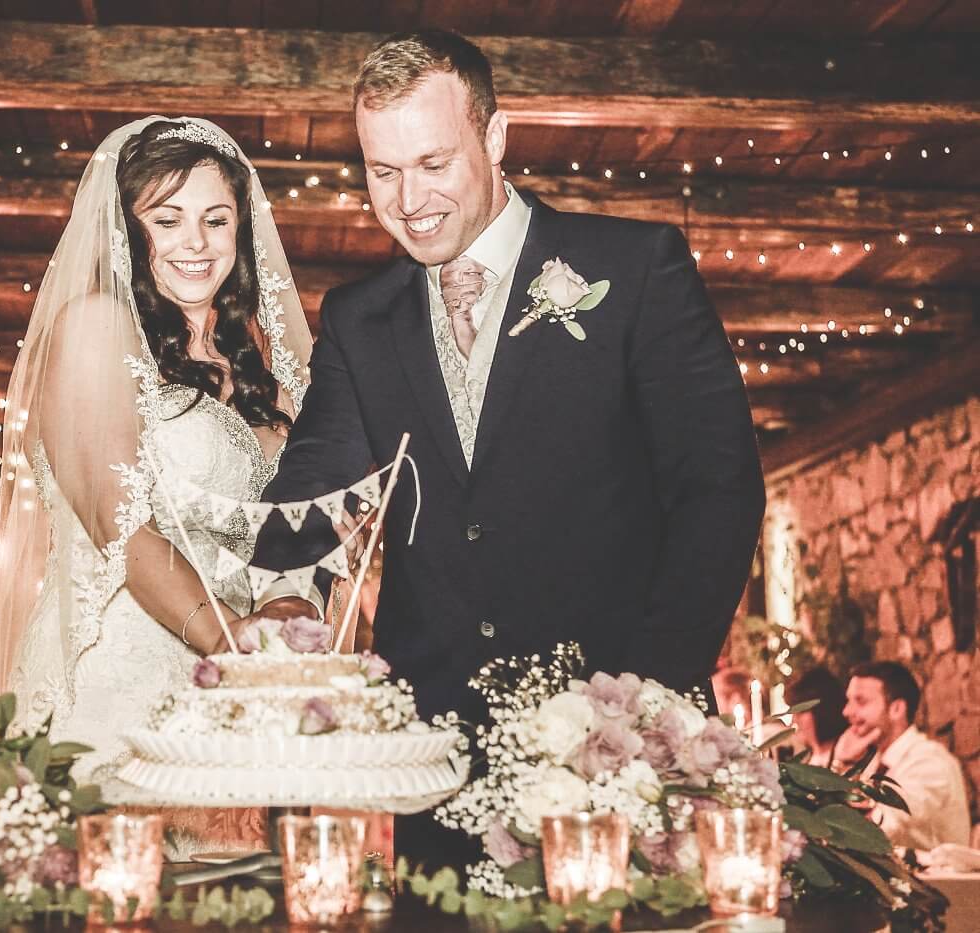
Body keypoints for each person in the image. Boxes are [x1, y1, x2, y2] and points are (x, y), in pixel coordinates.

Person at [244, 29, 765, 865]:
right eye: (384, 171)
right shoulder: (358, 317)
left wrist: (643, 699)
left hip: (617, 753)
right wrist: (283, 599)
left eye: (433, 163)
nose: (408, 199)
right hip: (438, 769)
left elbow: (718, 491)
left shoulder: (634, 269)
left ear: (494, 138)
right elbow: (317, 479)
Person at [0, 118, 312, 796]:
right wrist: (229, 644)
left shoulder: (258, 368)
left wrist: (283, 608)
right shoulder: (94, 328)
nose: (196, 242)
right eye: (168, 219)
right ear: (128, 230)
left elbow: (292, 523)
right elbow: (116, 520)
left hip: (237, 699)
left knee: (236, 900)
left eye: (216, 220)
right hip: (119, 684)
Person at [839, 661, 969, 850]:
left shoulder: (930, 761)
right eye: (848, 701)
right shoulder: (876, 762)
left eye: (861, 701)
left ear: (897, 709)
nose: (847, 711)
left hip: (931, 879)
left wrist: (844, 764)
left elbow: (883, 831)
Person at [784, 667, 848, 769]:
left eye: (801, 712)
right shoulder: (807, 759)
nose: (795, 720)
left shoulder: (847, 756)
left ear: (823, 711)